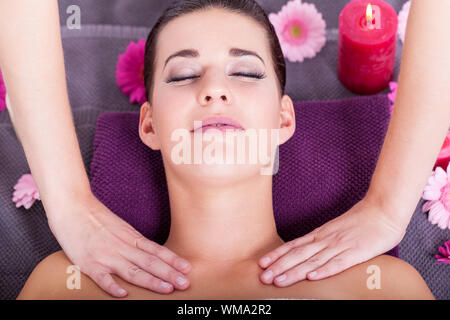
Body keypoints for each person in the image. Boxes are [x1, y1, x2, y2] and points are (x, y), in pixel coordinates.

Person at [1, 0, 448, 299]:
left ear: (284, 119)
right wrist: (69, 203)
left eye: (247, 74)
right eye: (182, 75)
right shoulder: (67, 284)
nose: (214, 89)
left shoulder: (383, 288)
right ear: (150, 124)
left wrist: (390, 210)